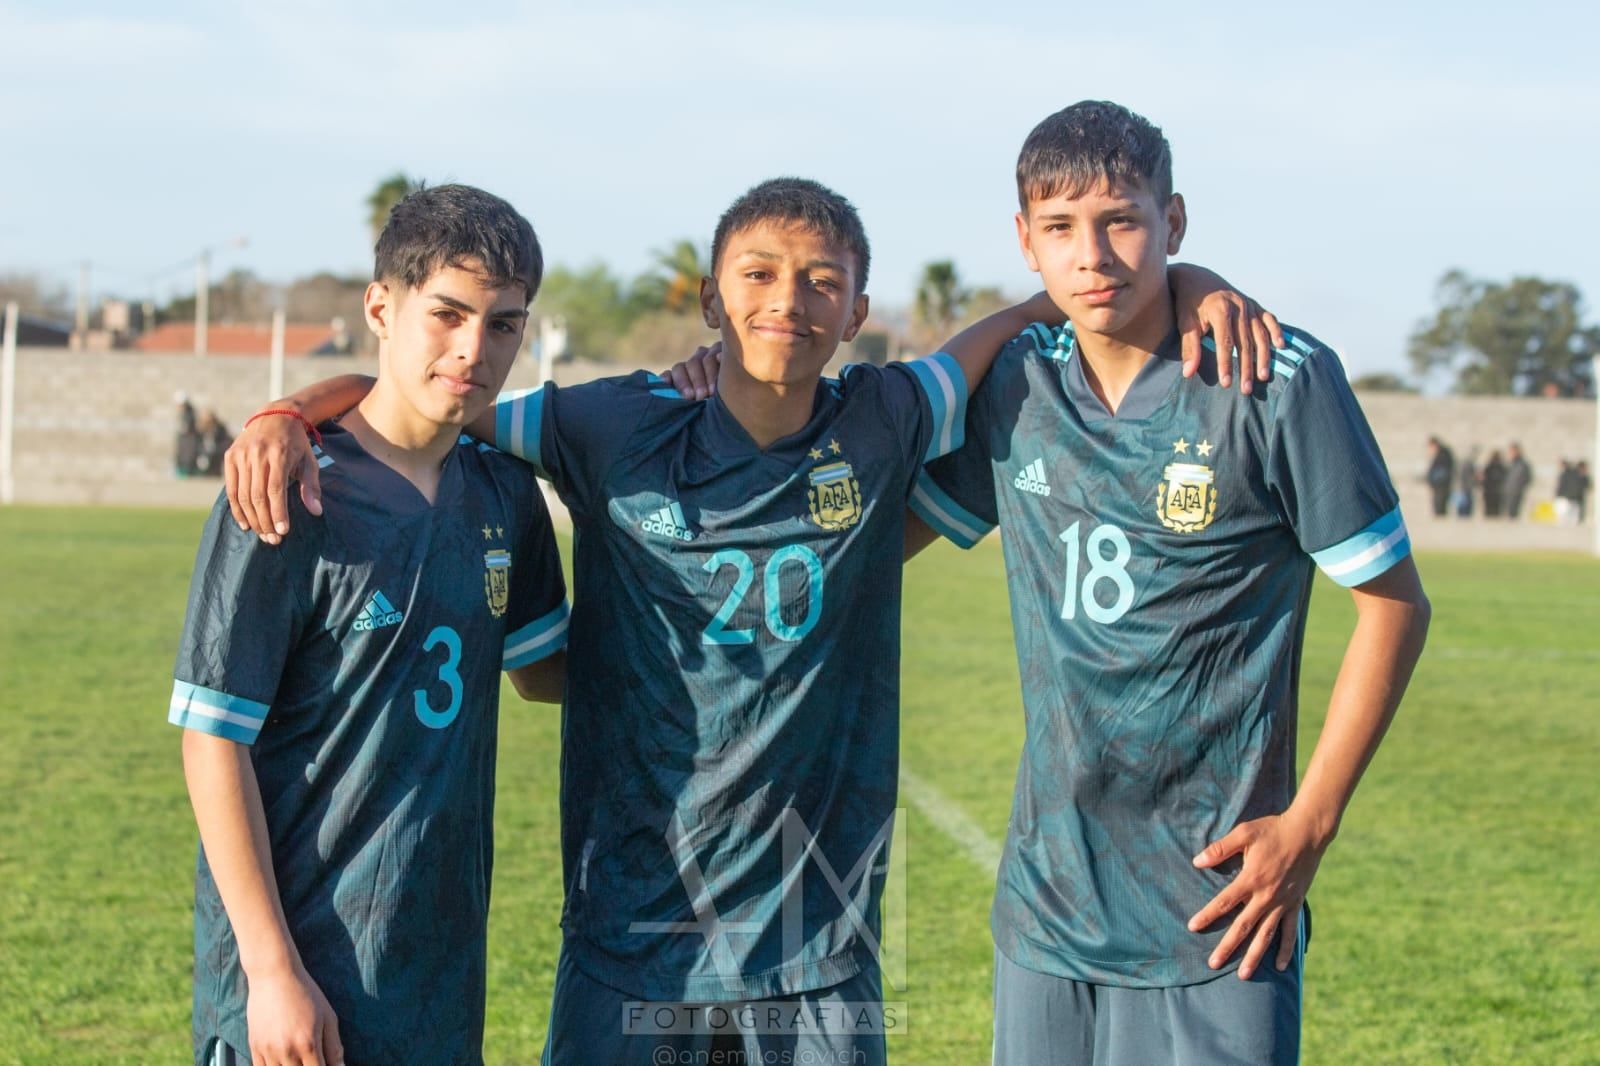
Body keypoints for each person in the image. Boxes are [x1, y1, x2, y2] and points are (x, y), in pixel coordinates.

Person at [223, 177, 1279, 1063]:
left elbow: (1022, 317)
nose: (791, 300)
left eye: (823, 280)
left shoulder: (887, 418)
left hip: (816, 951)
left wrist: (1192, 280)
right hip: (628, 933)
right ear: (710, 300)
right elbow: (424, 399)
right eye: (761, 275)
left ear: (857, 308)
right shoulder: (610, 424)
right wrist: (284, 411)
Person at [906, 101, 1431, 1065]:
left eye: (1122, 220)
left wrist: (1310, 824)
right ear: (1024, 241)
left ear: (1173, 222)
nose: (1093, 254)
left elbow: (1394, 607)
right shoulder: (1018, 388)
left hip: (1220, 905)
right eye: (1059, 228)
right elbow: (872, 537)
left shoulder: (1274, 378)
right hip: (1048, 904)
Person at [170, 184, 570, 1066]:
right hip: (296, 965)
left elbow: (547, 671)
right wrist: (271, 973)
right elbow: (212, 741)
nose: (473, 349)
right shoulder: (287, 488)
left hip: (435, 965)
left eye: (503, 325)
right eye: (448, 314)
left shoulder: (505, 492)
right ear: (381, 307)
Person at [1425, 435, 1455, 517]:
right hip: (1440, 485)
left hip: (1441, 486)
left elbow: (1442, 472)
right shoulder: (1442, 454)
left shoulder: (1443, 455)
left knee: (1440, 506)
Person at [1504, 442, 1531, 519]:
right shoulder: (1511, 464)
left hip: (1517, 491)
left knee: (1514, 512)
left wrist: (1520, 486)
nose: (1511, 453)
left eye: (1512, 451)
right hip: (1508, 491)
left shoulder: (1523, 464)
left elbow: (1528, 478)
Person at [1481, 449, 1507, 517]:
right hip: (1490, 494)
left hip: (1496, 494)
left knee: (1495, 513)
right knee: (1489, 513)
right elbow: (1483, 480)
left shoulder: (1501, 468)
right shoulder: (1489, 468)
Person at [1456, 446, 1479, 518]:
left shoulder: (1465, 464)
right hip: (1465, 490)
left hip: (1464, 490)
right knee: (1465, 510)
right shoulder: (1468, 464)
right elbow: (1468, 478)